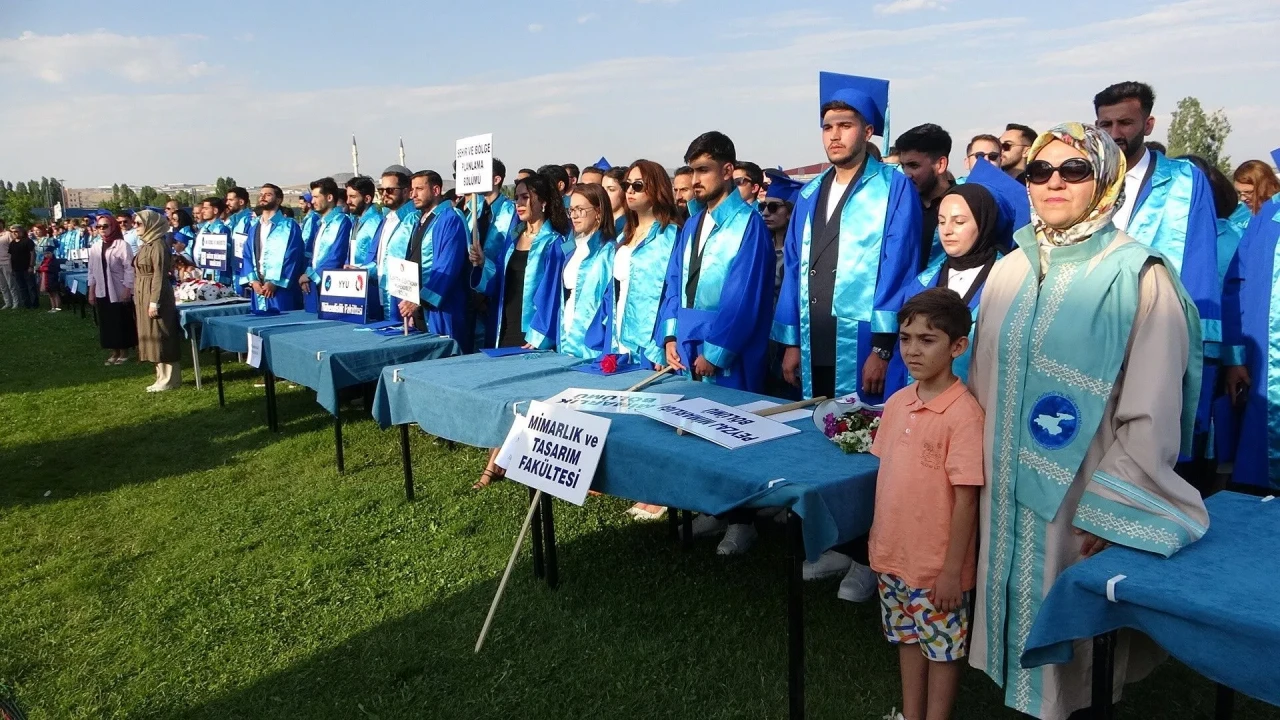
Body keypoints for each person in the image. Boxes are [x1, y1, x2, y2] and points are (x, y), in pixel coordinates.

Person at [968, 123, 1207, 720]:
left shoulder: (1139, 275)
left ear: (1105, 180)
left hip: (1081, 490)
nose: (1053, 182)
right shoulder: (1009, 269)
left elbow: (1154, 408)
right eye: (1038, 171)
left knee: (1074, 650)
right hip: (1005, 489)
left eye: (1073, 170)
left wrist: (1116, 506)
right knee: (1011, 616)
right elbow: (982, 383)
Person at [774, 72, 921, 591]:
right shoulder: (811, 191)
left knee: (864, 440)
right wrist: (791, 340)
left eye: (845, 125)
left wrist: (884, 347)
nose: (834, 135)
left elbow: (896, 266)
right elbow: (793, 267)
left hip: (863, 338)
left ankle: (866, 555)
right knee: (821, 434)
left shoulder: (893, 186)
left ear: (869, 129)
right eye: (827, 126)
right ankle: (836, 544)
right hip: (815, 332)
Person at [1094, 81, 1220, 481]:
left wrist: (1207, 345)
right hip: (1096, 330)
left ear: (1148, 124)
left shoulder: (1184, 181)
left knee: (1153, 436)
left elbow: (1201, 262)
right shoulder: (1086, 177)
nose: (1115, 133)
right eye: (1105, 123)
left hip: (1162, 328)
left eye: (1125, 122)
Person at [871, 288, 983, 720]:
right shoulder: (898, 402)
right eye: (905, 338)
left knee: (942, 650)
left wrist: (952, 570)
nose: (912, 350)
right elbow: (891, 481)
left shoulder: (964, 416)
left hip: (937, 570)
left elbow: (966, 499)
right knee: (907, 639)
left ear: (958, 346)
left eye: (927, 340)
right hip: (893, 558)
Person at [885, 159, 1030, 393]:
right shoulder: (922, 283)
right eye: (941, 221)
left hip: (980, 401)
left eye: (959, 221)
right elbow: (900, 358)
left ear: (985, 223)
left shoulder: (1012, 280)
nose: (947, 230)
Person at [469, 169, 572, 488]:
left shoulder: (555, 242)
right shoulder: (513, 238)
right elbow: (499, 281)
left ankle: (498, 464)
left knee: (531, 395)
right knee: (504, 392)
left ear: (543, 201)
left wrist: (540, 334)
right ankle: (500, 459)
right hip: (505, 322)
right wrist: (482, 262)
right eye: (518, 197)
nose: (519, 202)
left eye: (527, 197)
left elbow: (554, 292)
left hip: (533, 329)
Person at [658, 130, 774, 392]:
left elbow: (743, 298)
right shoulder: (692, 224)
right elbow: (674, 282)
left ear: (726, 171)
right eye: (692, 171)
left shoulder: (748, 225)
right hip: (686, 345)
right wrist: (670, 335)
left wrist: (716, 353)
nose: (695, 180)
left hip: (727, 350)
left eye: (703, 170)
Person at [397, 170, 472, 351]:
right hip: (419, 307)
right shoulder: (418, 220)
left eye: (419, 189)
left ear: (436, 190)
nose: (413, 194)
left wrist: (420, 299)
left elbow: (447, 267)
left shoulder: (449, 218)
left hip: (443, 306)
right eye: (412, 189)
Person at [538, 182, 614, 358]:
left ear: (598, 212)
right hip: (566, 333)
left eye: (580, 209)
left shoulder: (608, 251)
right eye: (571, 210)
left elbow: (609, 305)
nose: (574, 216)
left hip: (593, 341)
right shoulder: (572, 247)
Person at [132, 210, 184, 392]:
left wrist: (155, 301)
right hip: (143, 291)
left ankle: (170, 378)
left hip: (156, 293)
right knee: (151, 334)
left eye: (139, 223)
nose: (135, 227)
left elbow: (159, 275)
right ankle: (160, 376)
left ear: (151, 224)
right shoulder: (147, 244)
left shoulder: (158, 245)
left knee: (162, 333)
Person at [362, 167, 419, 319]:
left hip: (405, 297)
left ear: (406, 191)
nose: (385, 194)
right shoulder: (386, 219)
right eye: (381, 190)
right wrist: (361, 270)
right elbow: (380, 260)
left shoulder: (414, 219)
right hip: (383, 290)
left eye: (390, 190)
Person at [896, 123, 954, 270]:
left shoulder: (965, 206)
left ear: (940, 164)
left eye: (914, 165)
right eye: (903, 166)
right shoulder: (899, 205)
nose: (907, 174)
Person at [241, 184, 306, 313]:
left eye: (268, 194)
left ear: (278, 200)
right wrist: (253, 281)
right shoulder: (254, 227)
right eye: (261, 194)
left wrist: (275, 282)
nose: (263, 197)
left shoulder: (288, 226)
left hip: (280, 289)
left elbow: (293, 257)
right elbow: (247, 255)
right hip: (258, 288)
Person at [86, 215, 137, 363]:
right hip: (102, 289)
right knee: (107, 321)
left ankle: (124, 352)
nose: (102, 230)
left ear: (113, 227)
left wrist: (128, 288)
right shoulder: (95, 247)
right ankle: (114, 351)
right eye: (99, 227)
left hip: (118, 287)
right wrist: (91, 290)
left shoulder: (122, 245)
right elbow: (92, 270)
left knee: (121, 320)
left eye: (105, 226)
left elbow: (129, 268)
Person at [298, 178, 352, 314]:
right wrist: (307, 271)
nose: (312, 201)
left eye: (316, 197)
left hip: (332, 286)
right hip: (316, 284)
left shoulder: (342, 221)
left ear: (329, 197)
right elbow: (314, 254)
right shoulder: (322, 222)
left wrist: (311, 275)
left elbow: (337, 256)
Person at [342, 175, 384, 274]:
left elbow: (380, 258)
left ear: (367, 199)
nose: (348, 201)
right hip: (355, 279)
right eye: (347, 197)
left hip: (370, 281)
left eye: (353, 197)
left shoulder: (376, 222)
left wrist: (362, 271)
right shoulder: (356, 220)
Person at [195, 197, 233, 285]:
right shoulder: (204, 228)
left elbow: (225, 254)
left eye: (206, 208)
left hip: (219, 275)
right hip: (205, 272)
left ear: (215, 210)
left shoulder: (222, 229)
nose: (202, 211)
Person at [225, 186, 253, 282]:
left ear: (241, 202)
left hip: (246, 270)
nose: (227, 203)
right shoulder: (232, 220)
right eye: (227, 200)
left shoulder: (250, 220)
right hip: (234, 267)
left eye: (231, 200)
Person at [9, 226, 38, 309]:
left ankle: (34, 304)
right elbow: (11, 256)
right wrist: (11, 268)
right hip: (16, 269)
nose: (14, 233)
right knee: (22, 287)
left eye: (16, 231)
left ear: (21, 232)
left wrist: (31, 266)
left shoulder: (28, 241)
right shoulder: (12, 243)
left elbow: (32, 254)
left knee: (31, 286)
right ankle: (26, 304)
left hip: (27, 267)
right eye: (13, 232)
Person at [601, 167, 629, 236]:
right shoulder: (599, 223)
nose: (605, 194)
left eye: (611, 189)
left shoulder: (630, 225)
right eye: (602, 189)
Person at [37, 244, 64, 313]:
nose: (47, 255)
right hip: (45, 279)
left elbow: (54, 269)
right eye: (45, 253)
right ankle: (53, 307)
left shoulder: (54, 261)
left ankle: (57, 307)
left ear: (52, 253)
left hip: (52, 279)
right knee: (50, 294)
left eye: (48, 253)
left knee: (55, 293)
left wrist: (44, 269)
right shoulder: (44, 261)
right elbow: (40, 268)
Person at [298, 192, 321, 259]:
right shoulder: (309, 218)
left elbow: (308, 238)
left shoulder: (312, 218)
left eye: (302, 204)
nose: (300, 206)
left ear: (308, 204)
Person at [0, 227, 17, 309]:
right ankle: (7, 302)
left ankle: (16, 302)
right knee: (2, 285)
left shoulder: (7, 234)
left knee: (11, 283)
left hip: (6, 262)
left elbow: (14, 247)